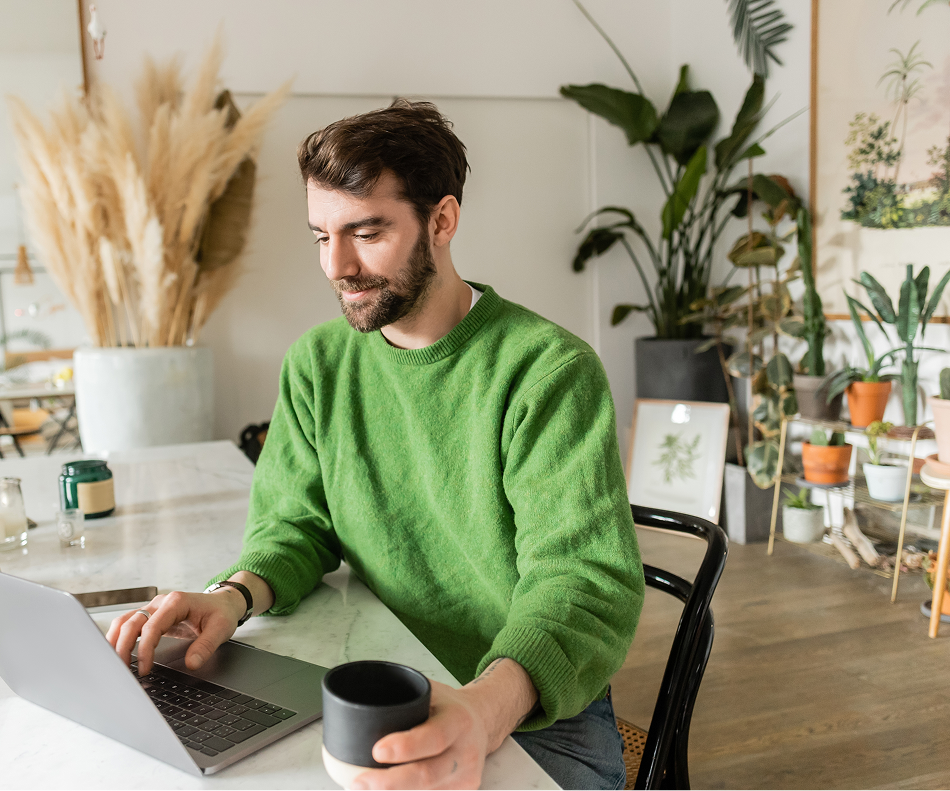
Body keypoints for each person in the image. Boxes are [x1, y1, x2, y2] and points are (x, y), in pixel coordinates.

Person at [108, 99, 644, 791]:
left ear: (442, 221)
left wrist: (484, 709)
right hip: (376, 674)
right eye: (321, 236)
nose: (339, 264)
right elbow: (297, 524)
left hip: (530, 701)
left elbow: (583, 581)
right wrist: (231, 595)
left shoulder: (547, 371)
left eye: (367, 231)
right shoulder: (317, 363)